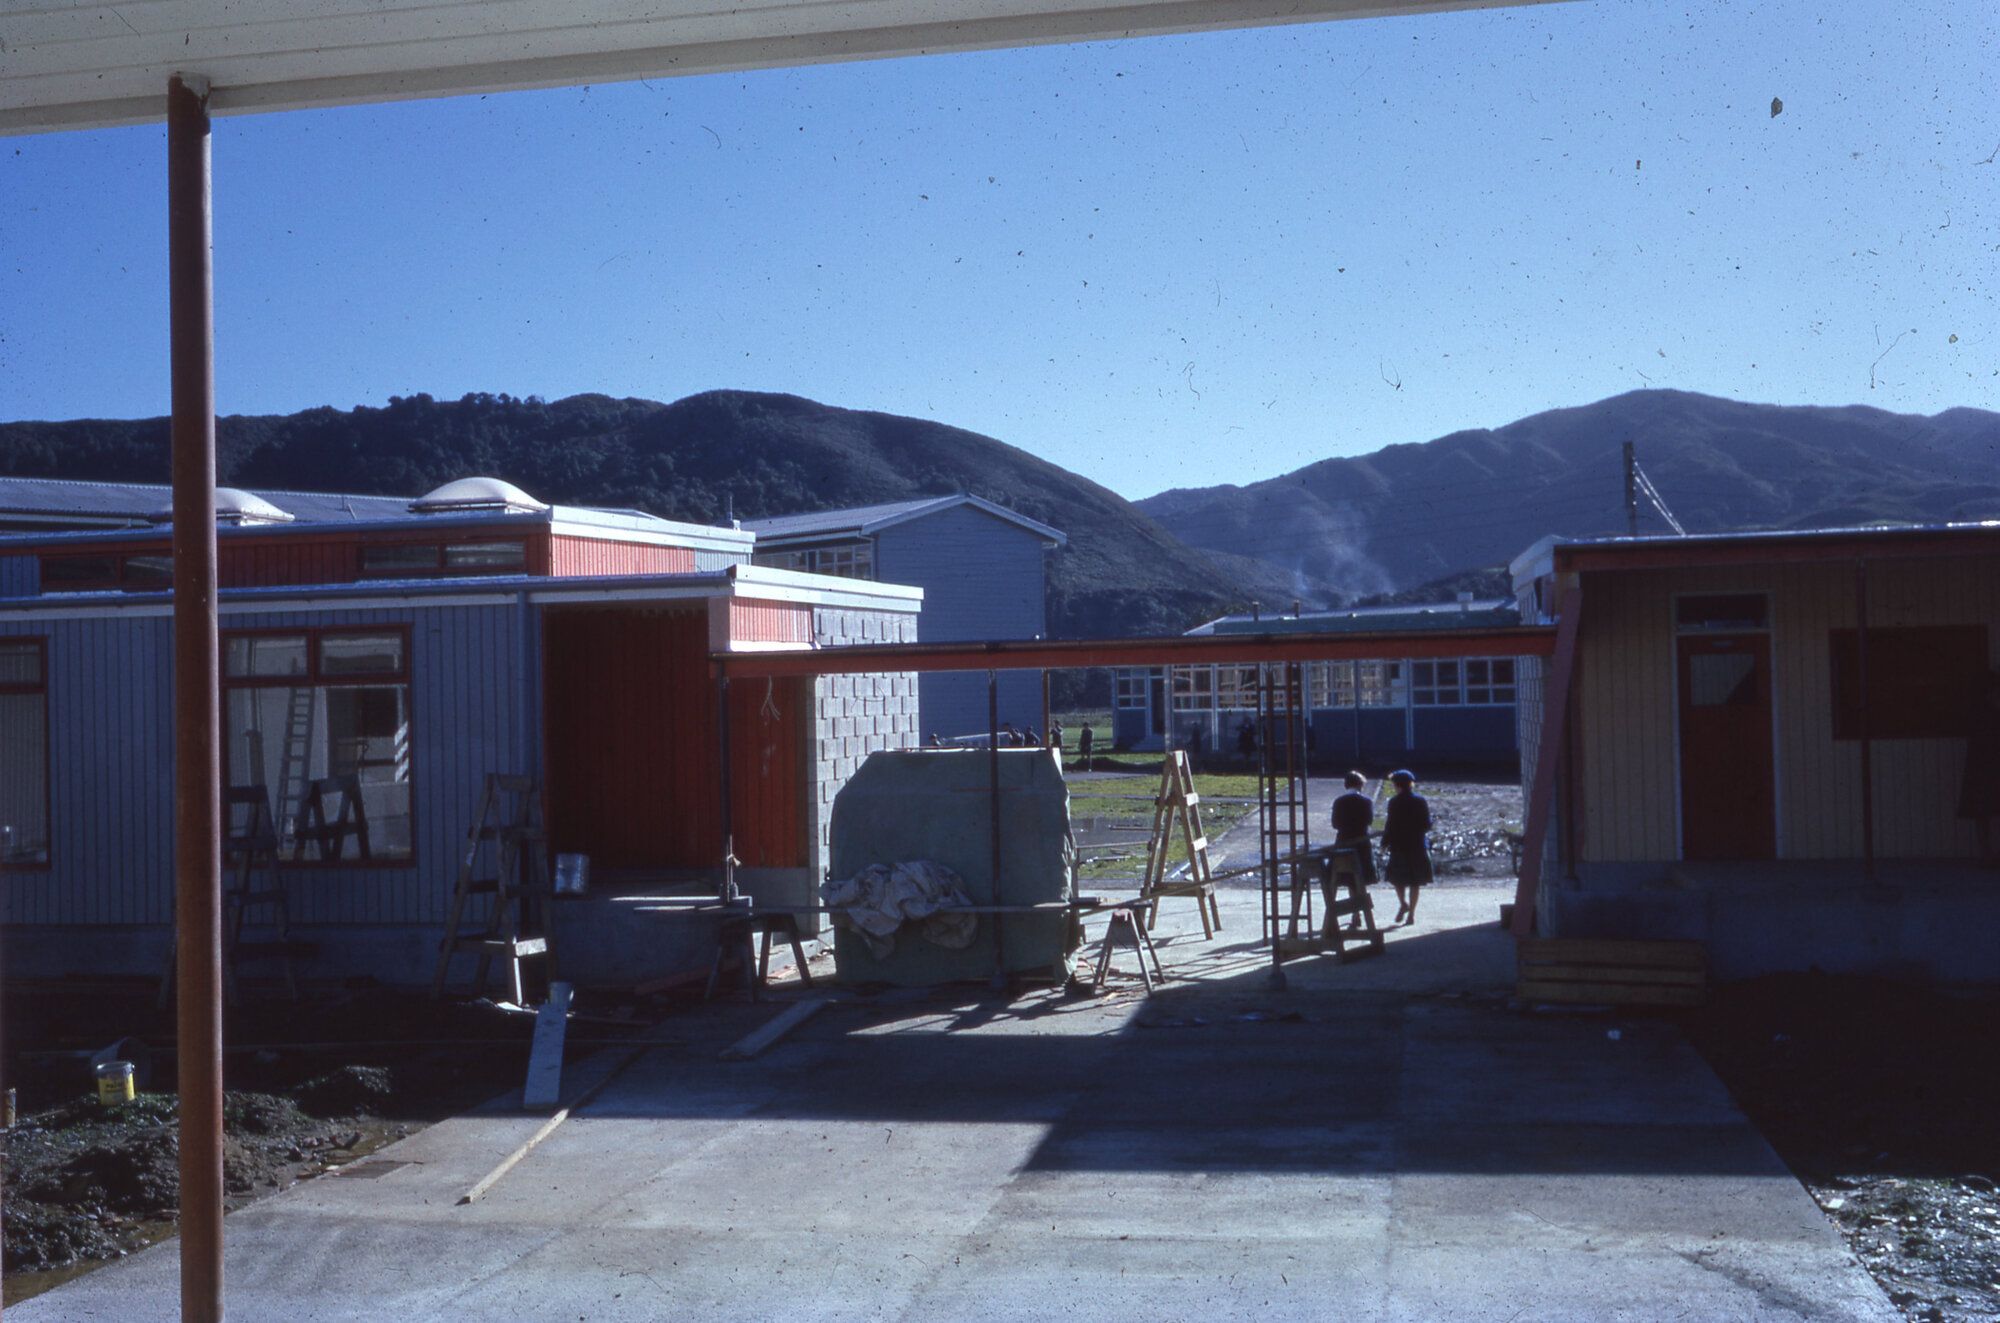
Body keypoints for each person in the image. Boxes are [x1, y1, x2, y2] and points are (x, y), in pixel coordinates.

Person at [1381, 769, 1433, 926]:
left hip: (1399, 845)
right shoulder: (1420, 801)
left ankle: (1403, 903)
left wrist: (1385, 843)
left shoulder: (1394, 802)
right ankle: (1411, 914)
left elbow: (1389, 825)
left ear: (1397, 785)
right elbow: (1427, 824)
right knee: (1415, 882)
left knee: (1398, 879)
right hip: (1417, 844)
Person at [1328, 771, 1377, 933]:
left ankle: (1342, 915)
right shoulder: (1366, 802)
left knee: (1346, 878)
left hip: (1343, 842)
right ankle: (1358, 912)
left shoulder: (1339, 802)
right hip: (1361, 843)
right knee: (1360, 879)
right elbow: (1369, 820)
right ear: (1360, 785)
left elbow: (1335, 824)